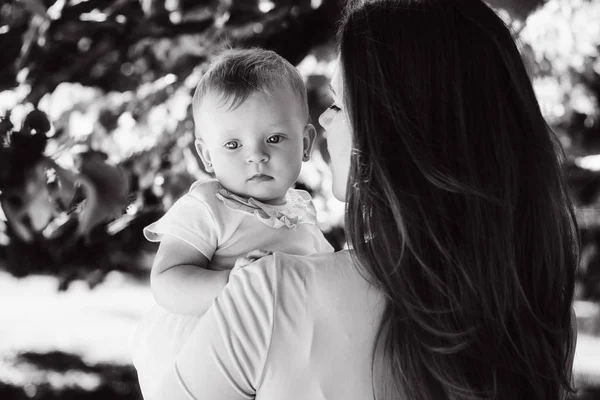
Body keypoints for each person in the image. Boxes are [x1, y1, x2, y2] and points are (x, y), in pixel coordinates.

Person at [150, 0, 579, 399]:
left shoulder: (269, 295)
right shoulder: (534, 308)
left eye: (338, 105)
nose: (323, 119)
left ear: (389, 130)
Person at [131, 48, 334, 399]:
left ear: (305, 143)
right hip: (208, 350)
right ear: (207, 156)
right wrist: (233, 283)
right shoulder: (208, 206)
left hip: (280, 349)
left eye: (274, 138)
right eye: (232, 144)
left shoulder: (302, 209)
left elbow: (324, 271)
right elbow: (166, 280)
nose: (255, 155)